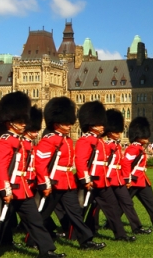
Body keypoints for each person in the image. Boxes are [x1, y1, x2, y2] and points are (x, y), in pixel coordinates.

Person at [0, 91, 62, 258]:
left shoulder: (19, 141)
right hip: (9, 188)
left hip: (22, 189)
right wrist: (4, 188)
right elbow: (0, 166)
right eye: (20, 121)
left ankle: (46, 250)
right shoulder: (5, 140)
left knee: (35, 220)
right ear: (10, 123)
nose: (24, 124)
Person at [36, 96, 104, 251]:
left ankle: (85, 240)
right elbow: (40, 164)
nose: (69, 126)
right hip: (53, 182)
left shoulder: (66, 140)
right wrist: (44, 183)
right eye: (66, 123)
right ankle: (32, 238)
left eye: (69, 122)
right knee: (43, 214)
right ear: (56, 123)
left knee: (75, 213)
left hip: (67, 182)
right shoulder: (49, 140)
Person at [75, 101, 134, 242]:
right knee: (81, 209)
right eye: (99, 124)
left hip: (102, 181)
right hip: (90, 181)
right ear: (91, 124)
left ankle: (121, 235)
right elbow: (81, 161)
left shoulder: (100, 142)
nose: (103, 127)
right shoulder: (85, 141)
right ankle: (72, 234)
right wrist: (85, 179)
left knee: (112, 209)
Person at [103, 109, 151, 235]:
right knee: (98, 207)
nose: (119, 133)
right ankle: (93, 226)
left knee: (127, 203)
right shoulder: (106, 146)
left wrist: (125, 179)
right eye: (116, 131)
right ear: (109, 132)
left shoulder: (117, 145)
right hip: (107, 179)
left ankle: (137, 227)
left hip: (118, 179)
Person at [123, 117, 153, 230]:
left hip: (142, 180)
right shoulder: (133, 148)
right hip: (133, 180)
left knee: (150, 201)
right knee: (124, 203)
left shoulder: (139, 148)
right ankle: (111, 222)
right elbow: (126, 163)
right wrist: (127, 179)